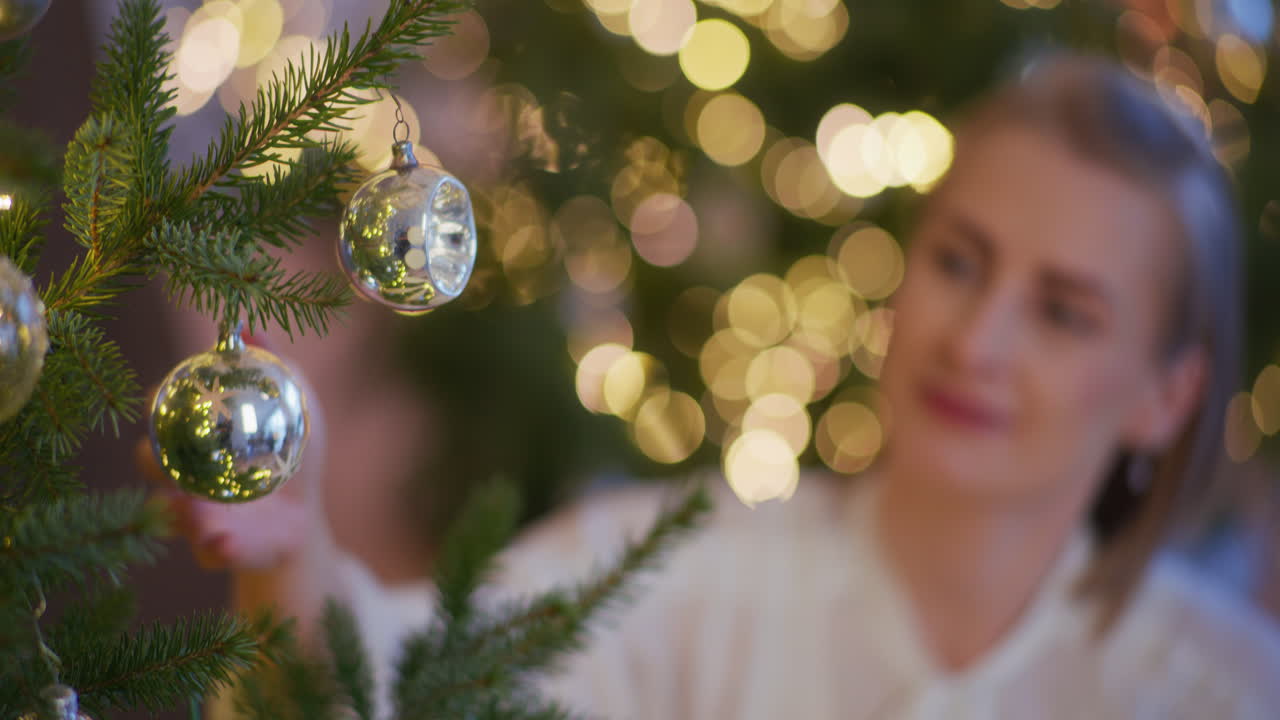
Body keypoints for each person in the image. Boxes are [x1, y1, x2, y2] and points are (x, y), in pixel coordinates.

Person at [147, 54, 1280, 718]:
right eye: (957, 261)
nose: (974, 339)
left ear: (1163, 397)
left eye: (1061, 311)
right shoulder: (691, 573)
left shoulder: (1220, 687)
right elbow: (400, 686)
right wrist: (290, 556)